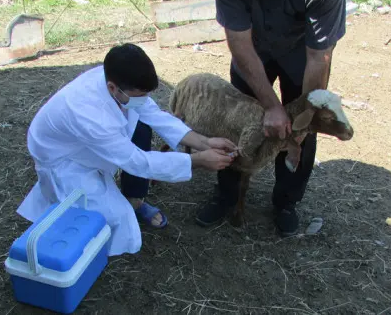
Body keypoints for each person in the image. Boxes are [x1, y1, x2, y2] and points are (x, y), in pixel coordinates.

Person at [195, 0, 346, 236]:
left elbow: (319, 58)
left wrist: (299, 126)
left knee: (302, 126)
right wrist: (270, 105)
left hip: (300, 54)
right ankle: (226, 193)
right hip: (253, 51)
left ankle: (286, 200)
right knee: (235, 120)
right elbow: (238, 42)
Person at [16, 43, 238, 256]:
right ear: (113, 87)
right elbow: (137, 162)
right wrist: (196, 161)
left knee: (140, 125)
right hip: (64, 158)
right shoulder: (89, 114)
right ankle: (85, 253)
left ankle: (134, 199)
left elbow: (154, 114)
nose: (145, 100)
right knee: (115, 218)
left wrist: (204, 142)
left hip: (84, 141)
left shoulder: (117, 82)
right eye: (139, 95)